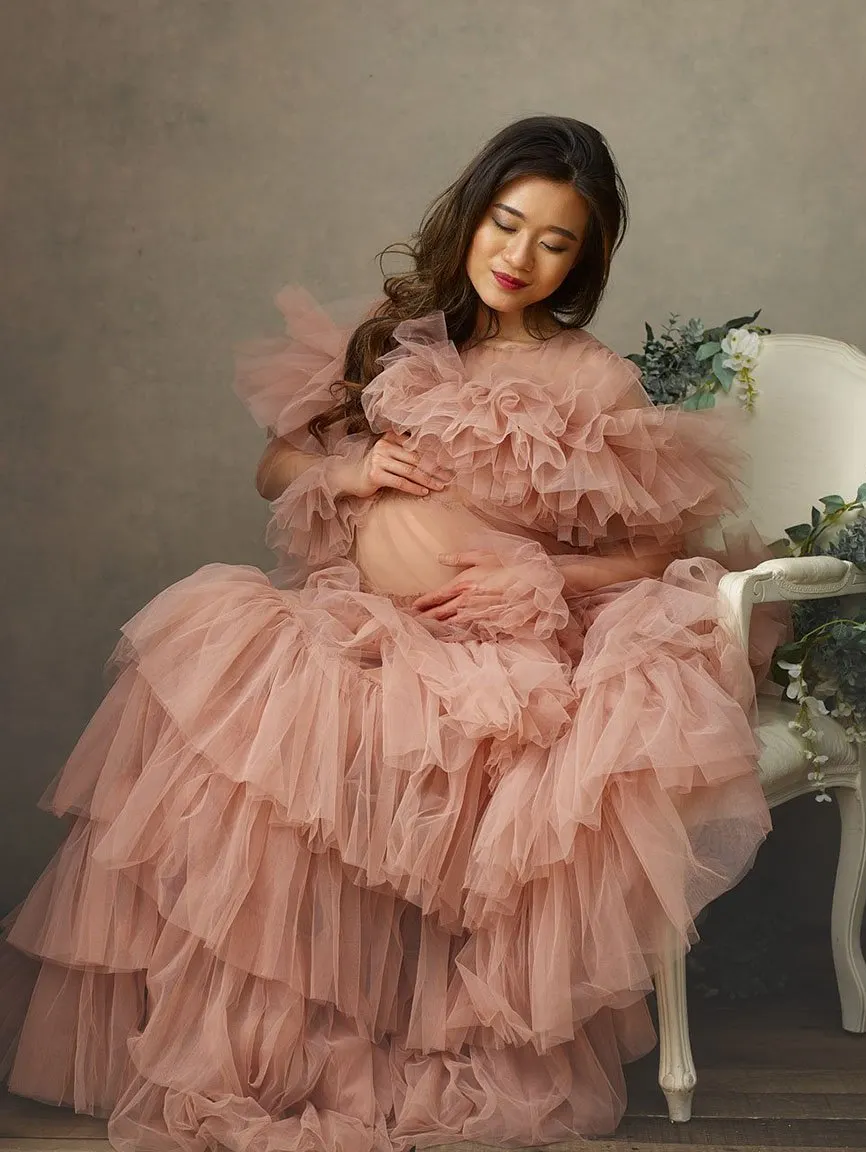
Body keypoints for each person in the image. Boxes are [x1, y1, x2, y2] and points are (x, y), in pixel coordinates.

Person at [0, 115, 788, 1151]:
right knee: (226, 678)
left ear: (585, 260)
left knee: (371, 743)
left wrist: (533, 572)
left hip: (495, 648)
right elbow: (276, 469)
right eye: (507, 224)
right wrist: (351, 471)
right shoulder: (398, 333)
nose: (519, 257)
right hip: (359, 613)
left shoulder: (594, 382)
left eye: (554, 241)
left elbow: (650, 553)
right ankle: (250, 1037)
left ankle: (387, 1034)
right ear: (473, 218)